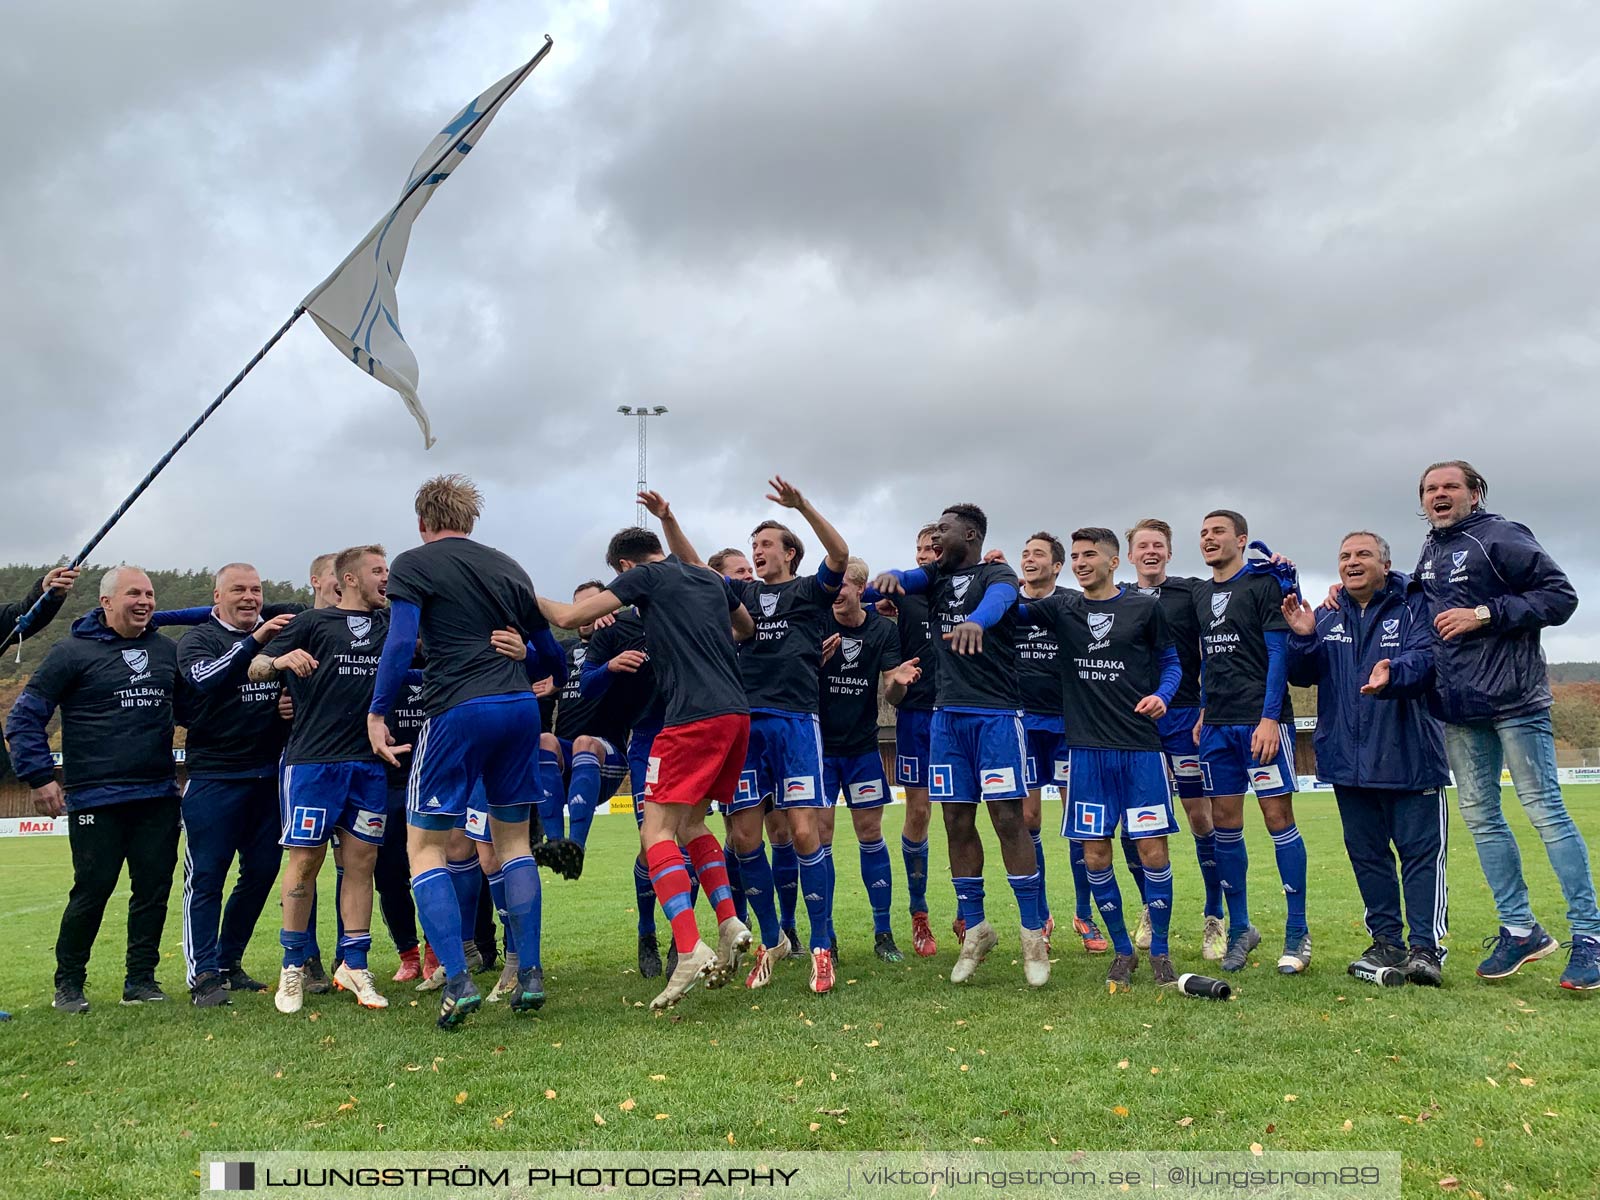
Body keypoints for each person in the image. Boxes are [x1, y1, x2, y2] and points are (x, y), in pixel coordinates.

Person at [366, 475, 568, 1027]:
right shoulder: (510, 566)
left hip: (457, 710)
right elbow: (554, 659)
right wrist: (522, 654)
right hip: (518, 711)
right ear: (471, 520)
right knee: (513, 844)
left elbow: (402, 642)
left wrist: (378, 711)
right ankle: (529, 973)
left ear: (423, 522)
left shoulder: (413, 563)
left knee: (424, 848)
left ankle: (457, 980)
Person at [538, 520, 756, 1010]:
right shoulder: (708, 578)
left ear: (624, 566)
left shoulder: (645, 577)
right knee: (694, 824)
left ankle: (687, 948)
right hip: (735, 714)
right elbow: (746, 628)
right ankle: (728, 920)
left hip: (690, 720)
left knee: (655, 833)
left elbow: (572, 617)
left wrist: (518, 592)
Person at [653, 480, 850, 995]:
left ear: (789, 553)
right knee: (743, 839)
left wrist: (802, 505)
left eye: (766, 544)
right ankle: (770, 940)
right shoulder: (737, 592)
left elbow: (840, 553)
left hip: (794, 722)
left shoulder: (809, 591)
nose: (757, 551)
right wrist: (670, 521)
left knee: (806, 834)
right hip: (743, 723)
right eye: (753, 544)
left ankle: (823, 944)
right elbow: (695, 568)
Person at [1411, 460, 1596, 989]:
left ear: (1474, 493)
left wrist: (1484, 614)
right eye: (1430, 489)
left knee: (1546, 813)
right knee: (1482, 820)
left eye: (1450, 486)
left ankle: (1590, 936)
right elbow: (1424, 602)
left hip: (1515, 701)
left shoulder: (1501, 536)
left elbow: (1561, 596)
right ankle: (1520, 930)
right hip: (1459, 711)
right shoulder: (1432, 551)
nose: (1439, 495)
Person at [873, 504, 1045, 986]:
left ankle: (1033, 934)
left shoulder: (997, 573)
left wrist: (978, 622)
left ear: (968, 534)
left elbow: (1001, 600)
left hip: (995, 716)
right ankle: (976, 928)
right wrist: (885, 579)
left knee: (1009, 819)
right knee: (954, 819)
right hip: (944, 718)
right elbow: (901, 578)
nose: (935, 539)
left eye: (943, 530)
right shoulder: (933, 579)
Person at [6, 567, 181, 1012]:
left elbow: (199, 712)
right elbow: (25, 718)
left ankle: (140, 980)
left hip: (157, 794)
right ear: (105, 602)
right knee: (92, 889)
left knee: (153, 890)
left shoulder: (166, 651)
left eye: (150, 593)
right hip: (95, 796)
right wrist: (40, 776)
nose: (144, 601)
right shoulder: (71, 652)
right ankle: (69, 984)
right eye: (133, 594)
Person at [1018, 528, 1184, 987]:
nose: (1079, 563)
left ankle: (1162, 951)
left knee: (1152, 851)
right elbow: (1013, 613)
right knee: (1094, 856)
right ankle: (1122, 951)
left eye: (1089, 555)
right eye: (1074, 557)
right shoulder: (1063, 608)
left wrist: (1164, 695)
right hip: (1086, 754)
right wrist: (992, 581)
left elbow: (1171, 662)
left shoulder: (1144, 608)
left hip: (1140, 750)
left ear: (1114, 562)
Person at [1284, 532, 1449, 986]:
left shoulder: (1415, 603)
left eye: (1363, 555)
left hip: (1409, 755)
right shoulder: (1328, 613)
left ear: (1385, 563)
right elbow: (1303, 675)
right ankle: (1387, 941)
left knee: (1420, 857)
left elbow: (1428, 660)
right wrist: (1301, 637)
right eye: (1344, 556)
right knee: (1368, 857)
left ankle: (1425, 949)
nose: (1352, 562)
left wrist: (1393, 672)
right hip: (1347, 761)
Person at [252, 546, 397, 1014]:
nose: (387, 578)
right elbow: (254, 666)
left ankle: (354, 965)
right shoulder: (311, 624)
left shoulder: (390, 624)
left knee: (361, 863)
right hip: (313, 763)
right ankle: (293, 964)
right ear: (350, 579)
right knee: (305, 860)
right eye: (378, 571)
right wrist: (278, 661)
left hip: (368, 762)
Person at [173, 564, 297, 1006]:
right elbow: (205, 680)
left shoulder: (278, 633)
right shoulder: (198, 640)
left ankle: (229, 961)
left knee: (263, 872)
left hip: (267, 778)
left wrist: (291, 706)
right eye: (239, 589)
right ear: (217, 595)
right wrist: (255, 643)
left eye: (256, 590)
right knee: (206, 876)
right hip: (214, 777)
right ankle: (202, 974)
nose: (250, 597)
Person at [1193, 510, 1307, 974]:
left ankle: (1297, 933)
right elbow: (1206, 657)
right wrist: (1203, 709)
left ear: (1241, 539)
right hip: (1217, 724)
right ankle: (1241, 929)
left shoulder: (1264, 584)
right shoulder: (1202, 594)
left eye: (1217, 531)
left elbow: (1279, 653)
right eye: (1202, 533)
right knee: (1223, 823)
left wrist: (1267, 718)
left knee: (1277, 817)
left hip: (1260, 722)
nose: (1208, 539)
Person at [1126, 519, 1226, 961]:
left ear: (1169, 553)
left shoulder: (1192, 592)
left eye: (1158, 546)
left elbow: (1215, 645)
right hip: (1132, 723)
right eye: (1142, 546)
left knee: (1199, 816)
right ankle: (1149, 907)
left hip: (1185, 716)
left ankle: (1214, 916)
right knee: (1136, 819)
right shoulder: (1118, 599)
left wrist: (1206, 704)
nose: (1150, 552)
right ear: (1128, 556)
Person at [818, 557, 921, 961]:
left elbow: (892, 693)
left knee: (870, 835)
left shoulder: (881, 631)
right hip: (821, 749)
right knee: (819, 839)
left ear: (861, 589)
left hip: (862, 749)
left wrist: (898, 685)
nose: (837, 592)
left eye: (844, 585)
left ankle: (883, 933)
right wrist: (815, 664)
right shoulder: (817, 623)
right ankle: (826, 934)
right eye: (833, 586)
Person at [1011, 532, 1094, 951]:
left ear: (1057, 565)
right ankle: (1041, 915)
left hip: (1067, 725)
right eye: (1024, 553)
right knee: (1028, 821)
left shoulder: (1070, 603)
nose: (1029, 559)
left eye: (1038, 554)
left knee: (1077, 821)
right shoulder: (1006, 601)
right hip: (1022, 725)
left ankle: (1085, 914)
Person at [883, 524, 941, 957]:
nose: (924, 555)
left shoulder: (976, 587)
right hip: (917, 716)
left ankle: (968, 913)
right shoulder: (903, 595)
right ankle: (919, 915)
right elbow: (851, 592)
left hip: (965, 712)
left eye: (933, 548)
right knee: (918, 811)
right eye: (919, 548)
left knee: (968, 815)